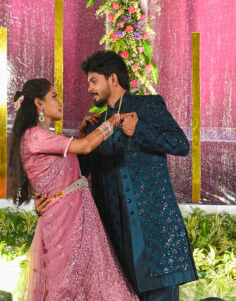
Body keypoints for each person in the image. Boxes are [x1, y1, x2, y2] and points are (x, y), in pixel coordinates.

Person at [36, 51, 198, 301]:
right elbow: (77, 175)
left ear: (112, 79)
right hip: (112, 238)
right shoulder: (94, 125)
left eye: (93, 81)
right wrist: (48, 198)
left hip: (153, 232)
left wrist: (139, 130)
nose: (89, 88)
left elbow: (180, 145)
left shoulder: (148, 106)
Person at [9, 77, 140, 301]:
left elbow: (65, 172)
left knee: (90, 284)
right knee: (67, 286)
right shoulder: (35, 135)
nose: (60, 102)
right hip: (66, 220)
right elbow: (86, 147)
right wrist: (114, 121)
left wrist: (83, 134)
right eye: (54, 97)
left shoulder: (44, 136)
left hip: (76, 214)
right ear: (39, 103)